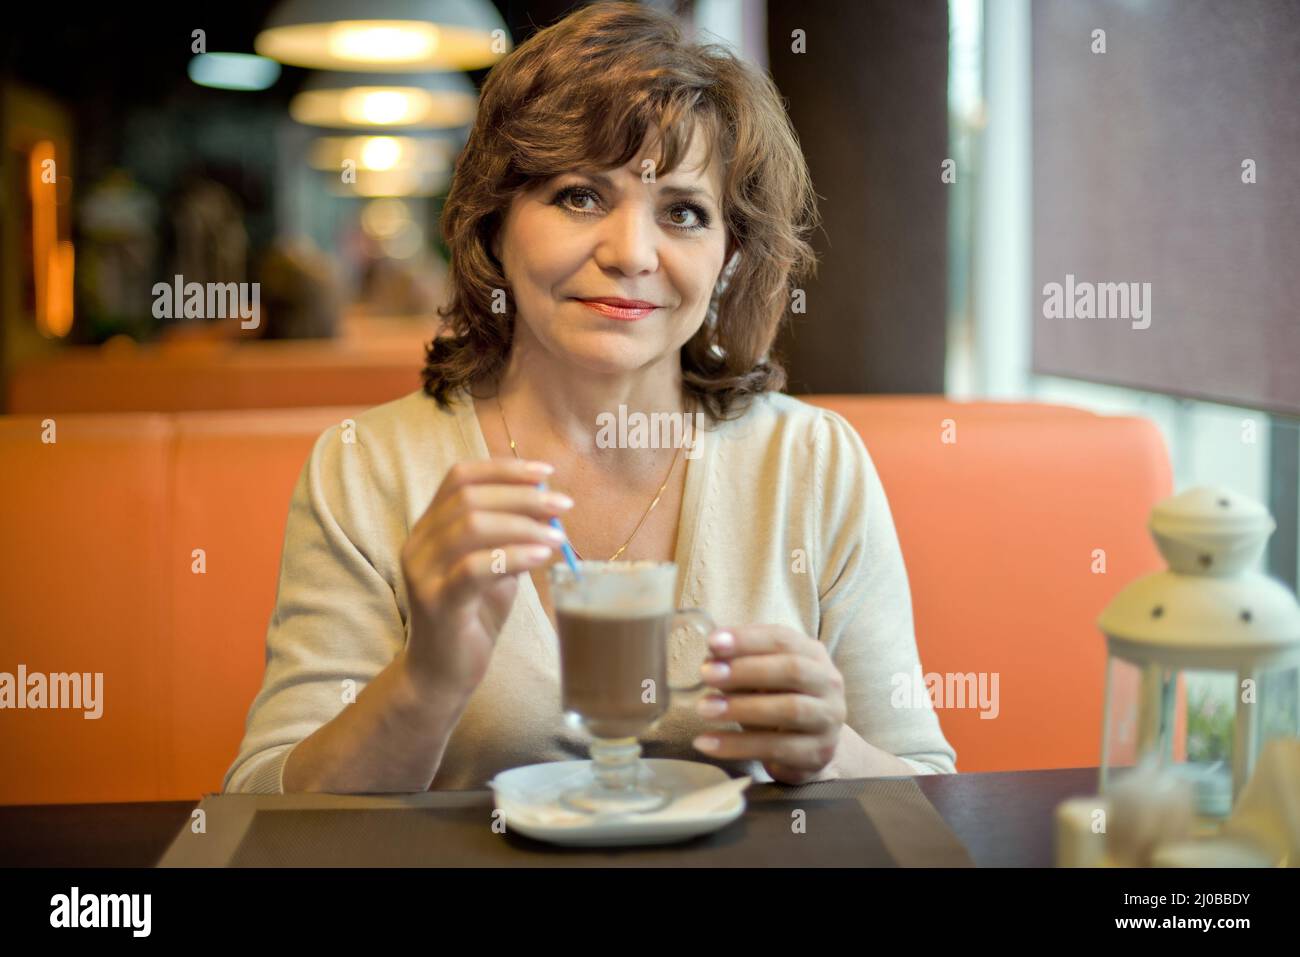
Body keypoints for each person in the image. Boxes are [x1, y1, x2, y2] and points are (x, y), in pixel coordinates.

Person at [224, 2, 956, 796]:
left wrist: (832, 750)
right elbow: (265, 808)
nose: (631, 253)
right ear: (495, 224)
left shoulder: (812, 461)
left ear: (728, 255)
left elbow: (928, 790)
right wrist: (425, 681)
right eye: (579, 196)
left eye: (683, 211)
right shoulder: (367, 468)